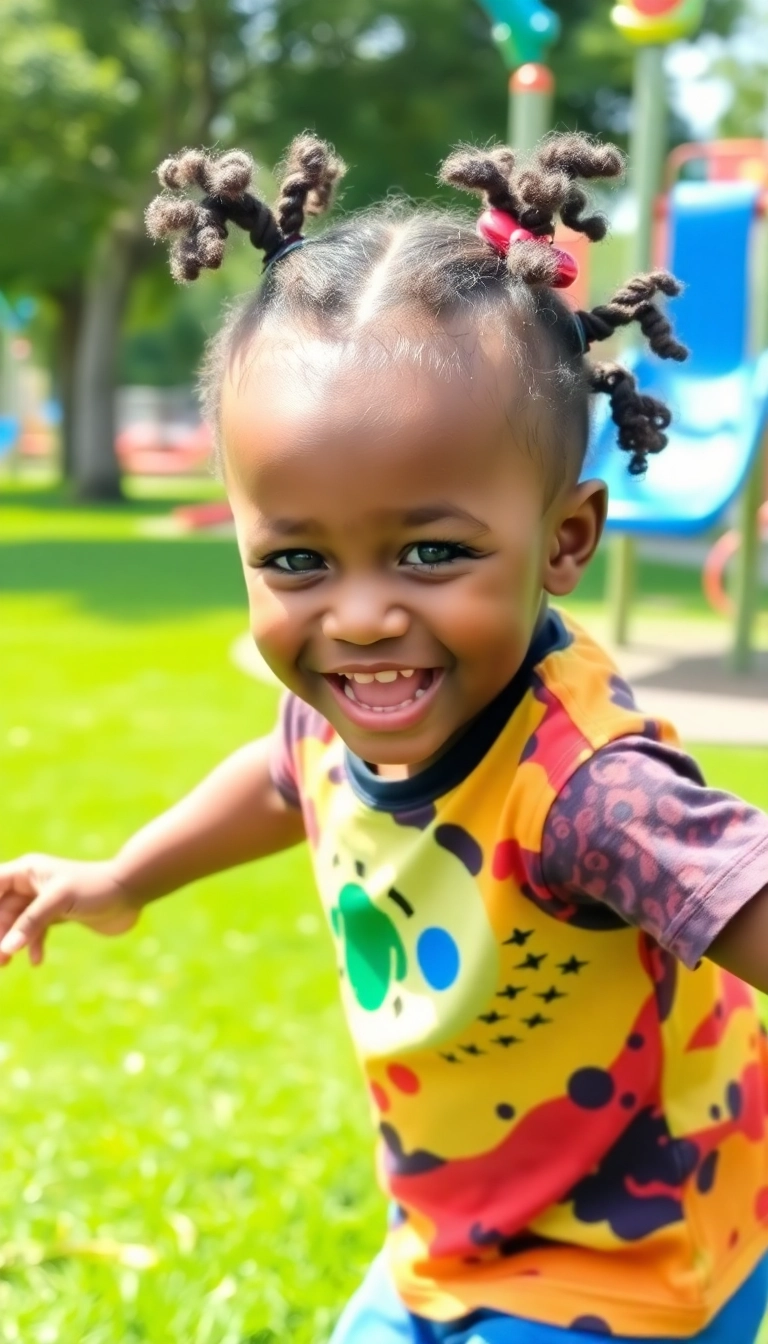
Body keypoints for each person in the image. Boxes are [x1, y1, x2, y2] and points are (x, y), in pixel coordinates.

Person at [2, 131, 768, 1343]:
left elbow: (734, 881)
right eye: (297, 560)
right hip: (458, 1230)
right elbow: (278, 777)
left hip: (630, 1257)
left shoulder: (590, 790)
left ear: (566, 539)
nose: (360, 619)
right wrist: (120, 880)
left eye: (432, 552)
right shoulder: (337, 714)